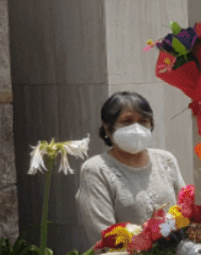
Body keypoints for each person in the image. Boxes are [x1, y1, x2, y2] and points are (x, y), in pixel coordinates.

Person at [77, 91, 186, 239]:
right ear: (108, 128)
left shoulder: (166, 160)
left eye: (143, 121)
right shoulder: (96, 170)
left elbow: (185, 211)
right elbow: (103, 235)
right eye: (126, 121)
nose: (137, 129)